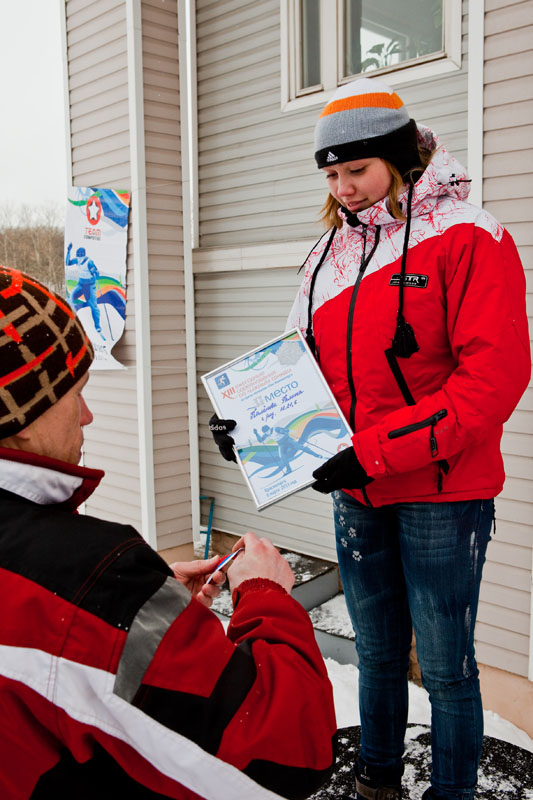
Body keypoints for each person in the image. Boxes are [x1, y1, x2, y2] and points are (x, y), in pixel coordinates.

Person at [210, 78, 531, 800]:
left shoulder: (469, 236)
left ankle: (451, 793)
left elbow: (491, 381)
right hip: (356, 488)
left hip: (442, 494)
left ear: (399, 156)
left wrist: (378, 451)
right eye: (331, 175)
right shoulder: (328, 253)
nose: (343, 189)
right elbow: (298, 366)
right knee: (378, 653)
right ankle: (376, 783)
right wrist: (252, 427)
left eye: (356, 170)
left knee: (444, 667)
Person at [0, 266, 337, 800]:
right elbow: (285, 754)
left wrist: (147, 617)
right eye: (76, 393)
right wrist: (266, 595)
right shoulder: (89, 579)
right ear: (22, 412)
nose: (87, 416)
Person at [66, 242, 105, 338]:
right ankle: (72, 318)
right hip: (80, 285)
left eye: (80, 256)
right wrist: (68, 251)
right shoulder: (77, 260)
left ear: (83, 255)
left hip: (89, 286)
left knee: (93, 306)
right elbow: (68, 263)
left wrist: (94, 272)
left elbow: (95, 271)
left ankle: (97, 326)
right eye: (77, 256)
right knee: (71, 297)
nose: (78, 258)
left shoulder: (89, 262)